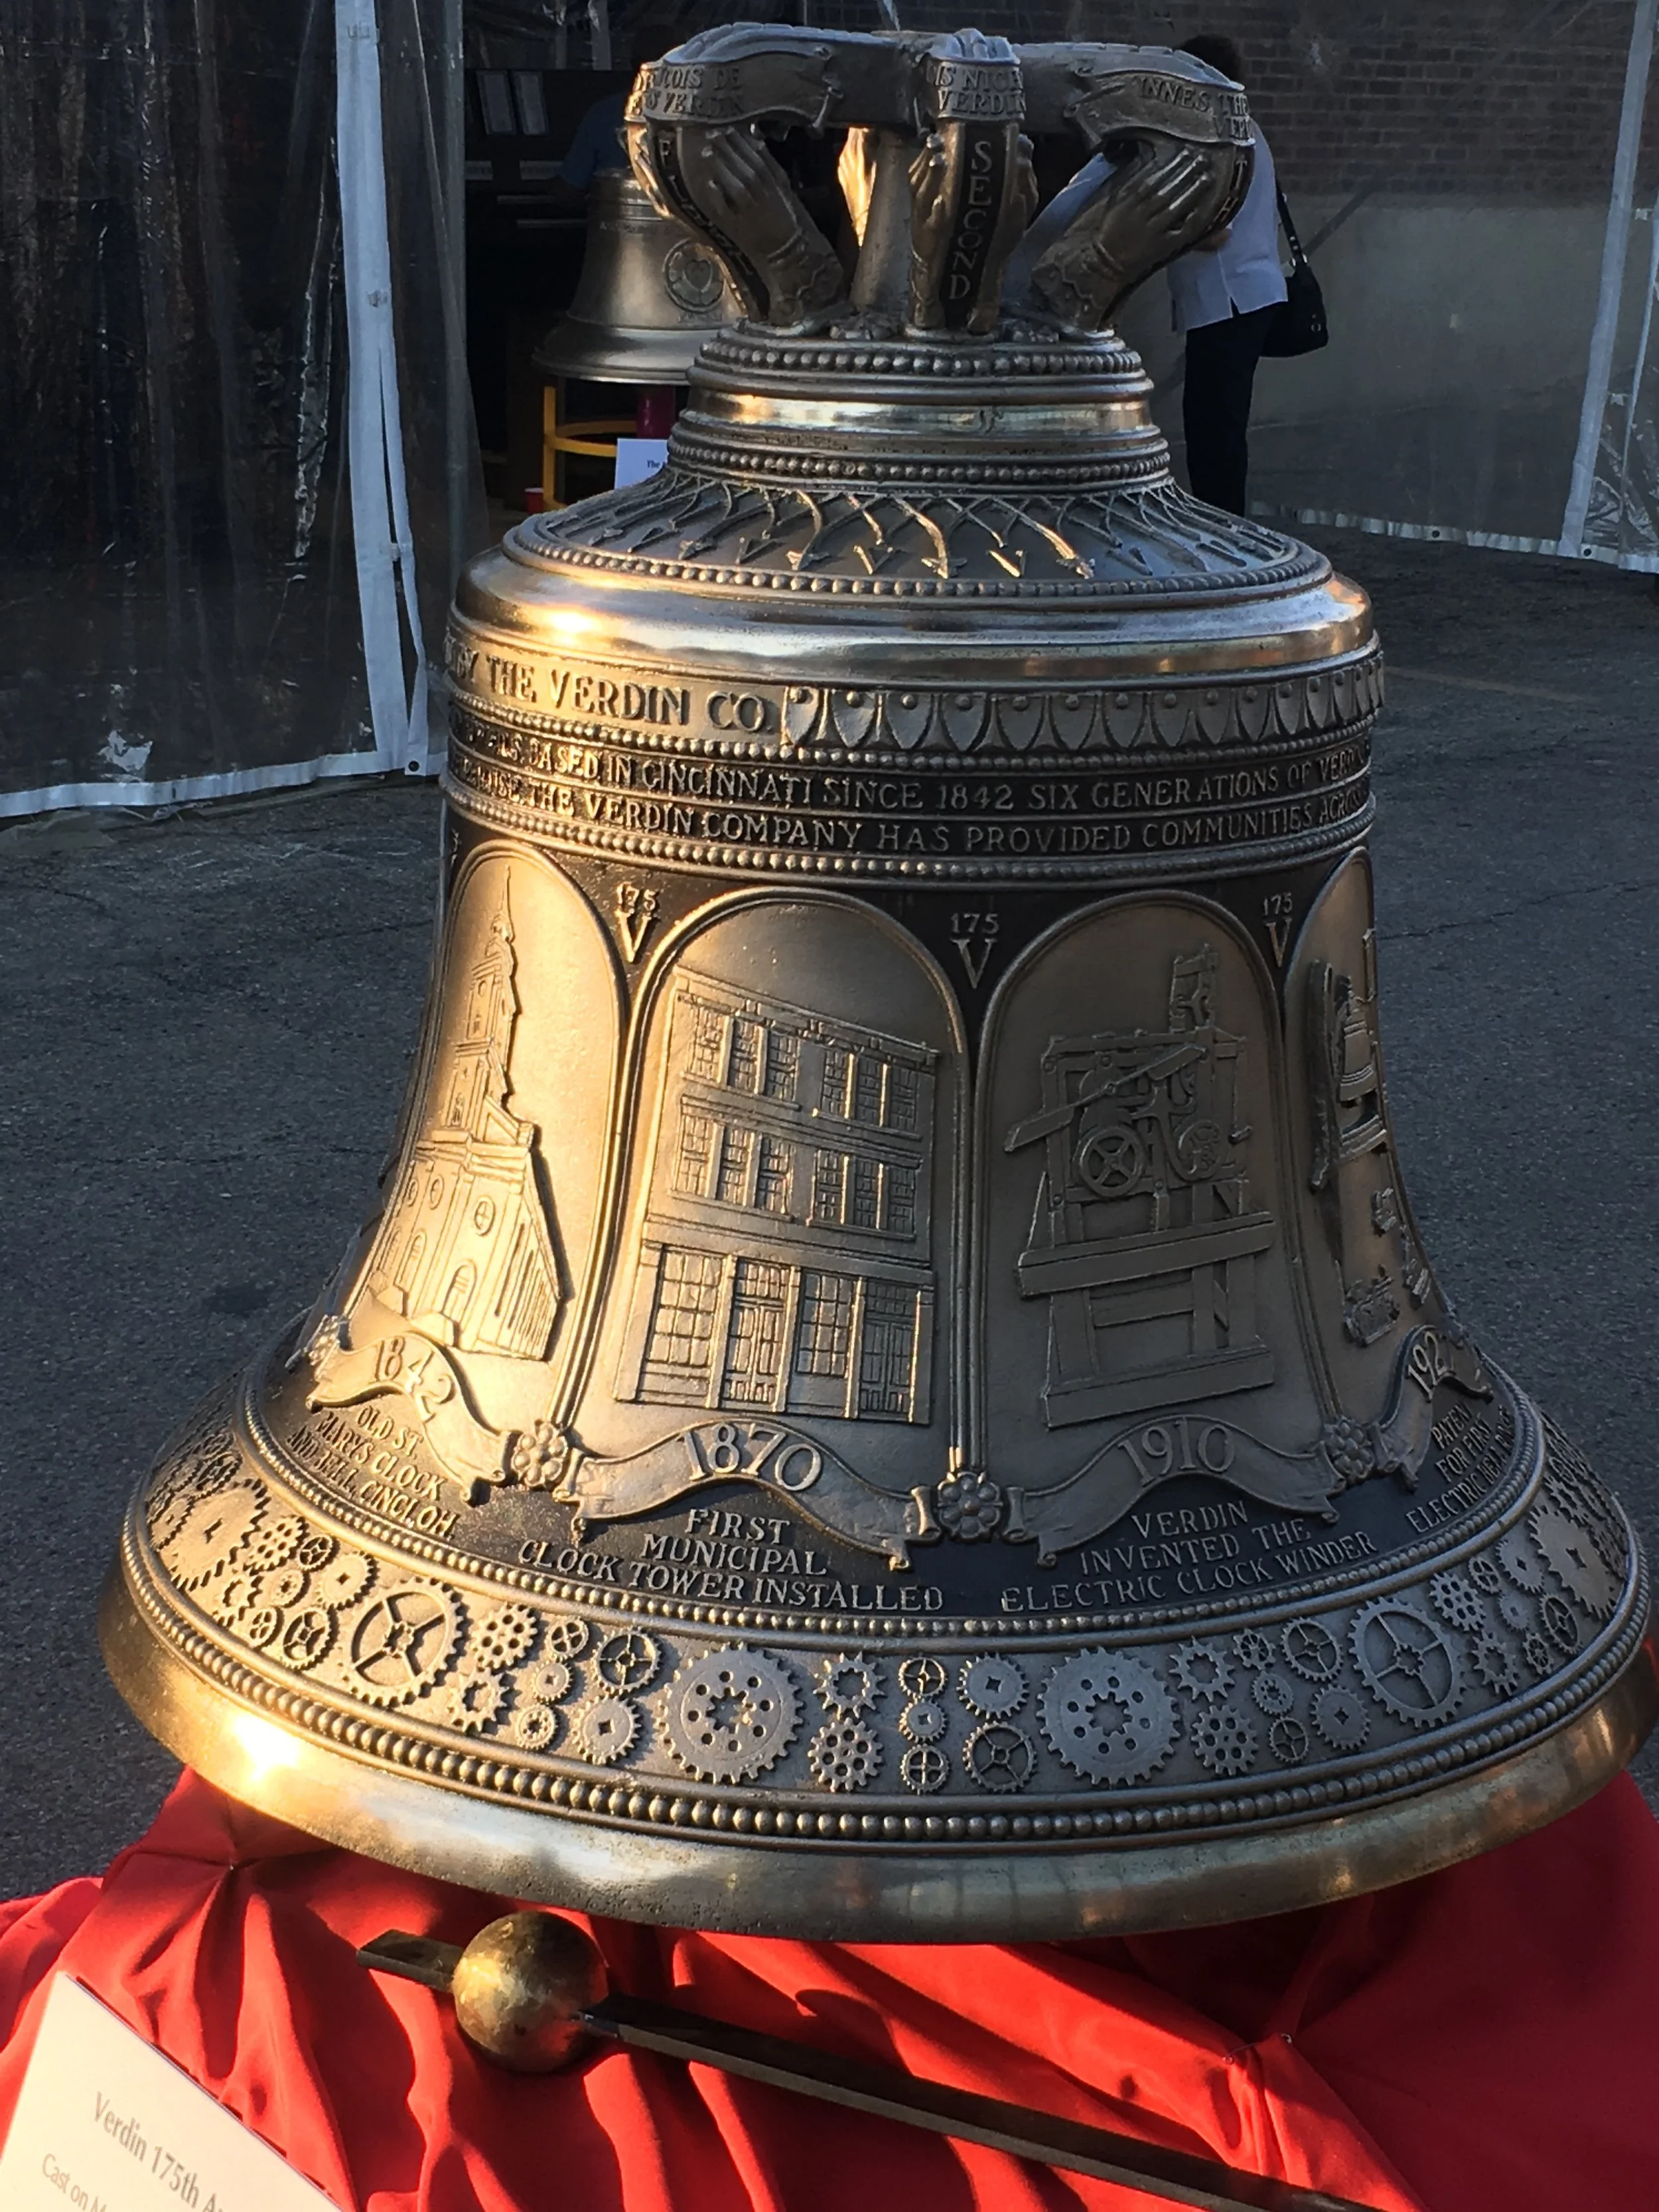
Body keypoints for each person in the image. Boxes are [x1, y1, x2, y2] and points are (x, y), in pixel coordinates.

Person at [1169, 34, 1287, 514]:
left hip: (1228, 298)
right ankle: (1225, 521)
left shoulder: (1218, 136)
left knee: (1211, 427)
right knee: (1221, 423)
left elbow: (1215, 233)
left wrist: (1149, 235)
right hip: (1248, 292)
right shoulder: (1248, 130)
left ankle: (1223, 526)